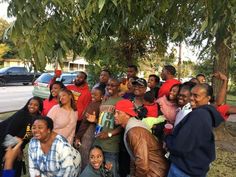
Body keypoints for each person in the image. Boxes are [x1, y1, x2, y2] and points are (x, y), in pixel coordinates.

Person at [165, 84, 224, 177]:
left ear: (208, 98)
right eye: (191, 94)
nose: (191, 98)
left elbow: (181, 146)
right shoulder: (203, 113)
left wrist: (167, 139)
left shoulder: (199, 115)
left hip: (185, 169)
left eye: (196, 96)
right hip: (194, 166)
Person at [114, 99, 169, 177]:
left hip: (153, 172)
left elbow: (142, 165)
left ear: (127, 114)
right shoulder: (132, 127)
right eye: (115, 112)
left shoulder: (134, 131)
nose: (115, 115)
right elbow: (136, 157)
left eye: (118, 113)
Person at [0, 96, 43, 177]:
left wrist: (20, 147)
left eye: (35, 105)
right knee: (9, 165)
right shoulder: (21, 114)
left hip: (18, 145)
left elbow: (28, 135)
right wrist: (17, 148)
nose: (32, 106)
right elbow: (9, 133)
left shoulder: (38, 119)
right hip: (6, 142)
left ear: (39, 107)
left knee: (15, 167)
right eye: (30, 104)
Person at [93, 78, 123, 177]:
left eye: (113, 85)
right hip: (98, 143)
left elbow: (122, 125)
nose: (109, 87)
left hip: (110, 146)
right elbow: (102, 119)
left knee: (111, 173)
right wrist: (94, 120)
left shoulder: (121, 102)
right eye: (108, 85)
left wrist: (109, 134)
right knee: (98, 173)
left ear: (118, 87)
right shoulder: (105, 100)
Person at [74, 86, 105, 170]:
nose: (93, 96)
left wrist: (78, 137)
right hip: (94, 133)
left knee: (84, 156)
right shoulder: (102, 105)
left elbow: (85, 123)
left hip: (87, 133)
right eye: (92, 94)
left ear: (102, 95)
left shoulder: (94, 105)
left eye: (95, 95)